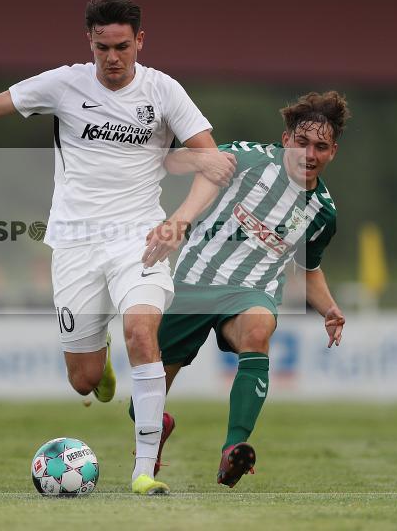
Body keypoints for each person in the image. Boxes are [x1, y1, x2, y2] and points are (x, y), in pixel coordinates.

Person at [0, 0, 235, 494]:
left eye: (123, 46)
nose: (113, 58)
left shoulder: (164, 92)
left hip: (138, 238)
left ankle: (143, 470)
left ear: (140, 41)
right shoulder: (64, 83)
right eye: (103, 47)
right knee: (82, 378)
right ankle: (102, 375)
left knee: (142, 333)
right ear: (90, 43)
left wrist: (179, 221)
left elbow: (214, 165)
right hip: (75, 243)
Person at [138, 91, 348, 488]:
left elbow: (308, 268)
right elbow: (176, 161)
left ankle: (233, 450)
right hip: (191, 283)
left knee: (257, 330)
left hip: (252, 292)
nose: (309, 154)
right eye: (302, 143)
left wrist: (330, 309)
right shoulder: (246, 158)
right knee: (142, 402)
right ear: (286, 139)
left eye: (321, 147)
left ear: (333, 152)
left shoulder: (323, 212)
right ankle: (156, 423)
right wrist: (190, 171)